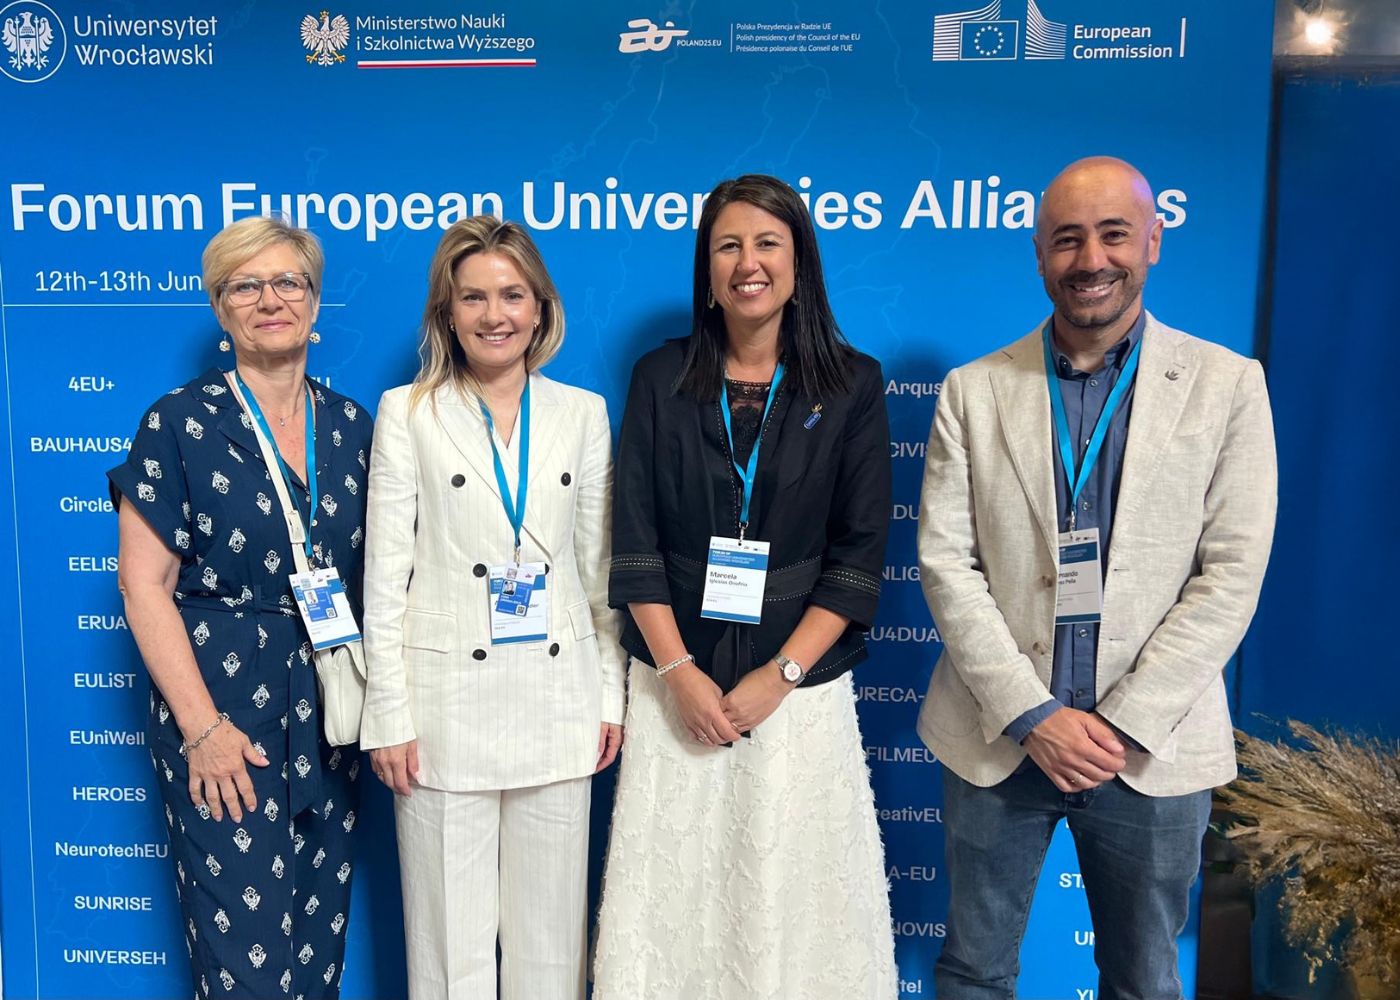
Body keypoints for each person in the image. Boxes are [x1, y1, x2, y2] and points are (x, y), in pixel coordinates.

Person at [916, 156, 1277, 999]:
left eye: (1114, 234)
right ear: (1039, 253)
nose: (1091, 259)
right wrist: (1033, 715)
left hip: (1150, 748)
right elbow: (946, 562)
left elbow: (1231, 573)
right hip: (997, 739)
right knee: (973, 971)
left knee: (1144, 980)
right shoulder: (973, 390)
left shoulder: (1228, 386)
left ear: (1153, 240)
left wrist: (1120, 724)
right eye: (1068, 239)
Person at [593, 173, 898, 1000]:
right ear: (707, 268)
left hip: (800, 691)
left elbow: (859, 554)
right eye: (728, 245)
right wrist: (678, 673)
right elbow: (636, 542)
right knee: (676, 905)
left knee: (790, 901)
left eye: (767, 243)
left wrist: (782, 675)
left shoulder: (852, 384)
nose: (748, 262)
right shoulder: (660, 377)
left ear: (800, 263)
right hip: (676, 683)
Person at [359, 216, 625, 1000]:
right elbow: (385, 577)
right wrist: (388, 714)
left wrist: (609, 697)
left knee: (551, 948)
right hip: (442, 707)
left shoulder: (582, 413)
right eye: (472, 297)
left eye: (511, 295)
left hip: (559, 698)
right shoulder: (408, 411)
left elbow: (600, 572)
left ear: (540, 307)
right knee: (450, 952)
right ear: (447, 313)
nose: (493, 314)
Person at [109, 216, 372, 999]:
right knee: (246, 971)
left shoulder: (353, 427)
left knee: (317, 959)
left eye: (287, 282)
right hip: (224, 714)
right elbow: (143, 586)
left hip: (330, 716)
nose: (269, 300)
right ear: (220, 309)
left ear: (314, 301)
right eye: (244, 286)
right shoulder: (178, 422)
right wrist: (203, 731)